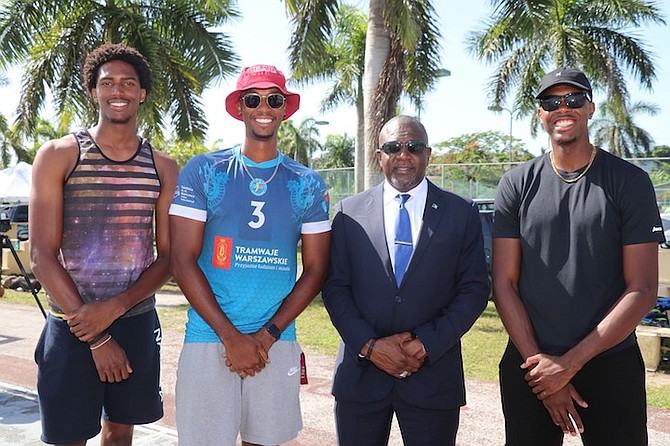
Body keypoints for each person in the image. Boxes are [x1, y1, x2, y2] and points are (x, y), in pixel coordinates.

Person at [492, 66, 664, 446]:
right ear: (540, 114)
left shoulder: (628, 181)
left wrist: (567, 366)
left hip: (609, 359)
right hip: (530, 361)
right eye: (551, 101)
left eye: (574, 99)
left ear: (590, 108)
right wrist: (543, 370)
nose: (562, 107)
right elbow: (503, 284)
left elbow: (643, 288)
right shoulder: (516, 184)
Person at [169, 64, 331, 446]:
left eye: (274, 99)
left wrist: (267, 335)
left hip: (275, 341)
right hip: (208, 338)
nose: (264, 107)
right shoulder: (204, 171)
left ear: (284, 109)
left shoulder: (307, 183)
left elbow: (317, 268)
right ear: (239, 108)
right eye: (253, 99)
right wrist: (232, 338)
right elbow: (181, 260)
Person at [29, 43, 179, 446]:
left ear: (142, 93)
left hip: (134, 320)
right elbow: (41, 255)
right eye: (108, 82)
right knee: (68, 438)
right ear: (93, 91)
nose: (119, 90)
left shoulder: (162, 166)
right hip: (71, 324)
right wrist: (94, 333)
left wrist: (114, 309)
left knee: (119, 435)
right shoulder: (59, 155)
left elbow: (167, 258)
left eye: (129, 83)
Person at [322, 115, 489, 445]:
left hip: (432, 377)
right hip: (361, 377)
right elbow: (335, 287)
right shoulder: (347, 213)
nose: (403, 155)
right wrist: (370, 347)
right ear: (379, 155)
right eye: (393, 147)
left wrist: (426, 343)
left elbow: (474, 289)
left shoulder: (461, 212)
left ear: (428, 154)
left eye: (413, 147)